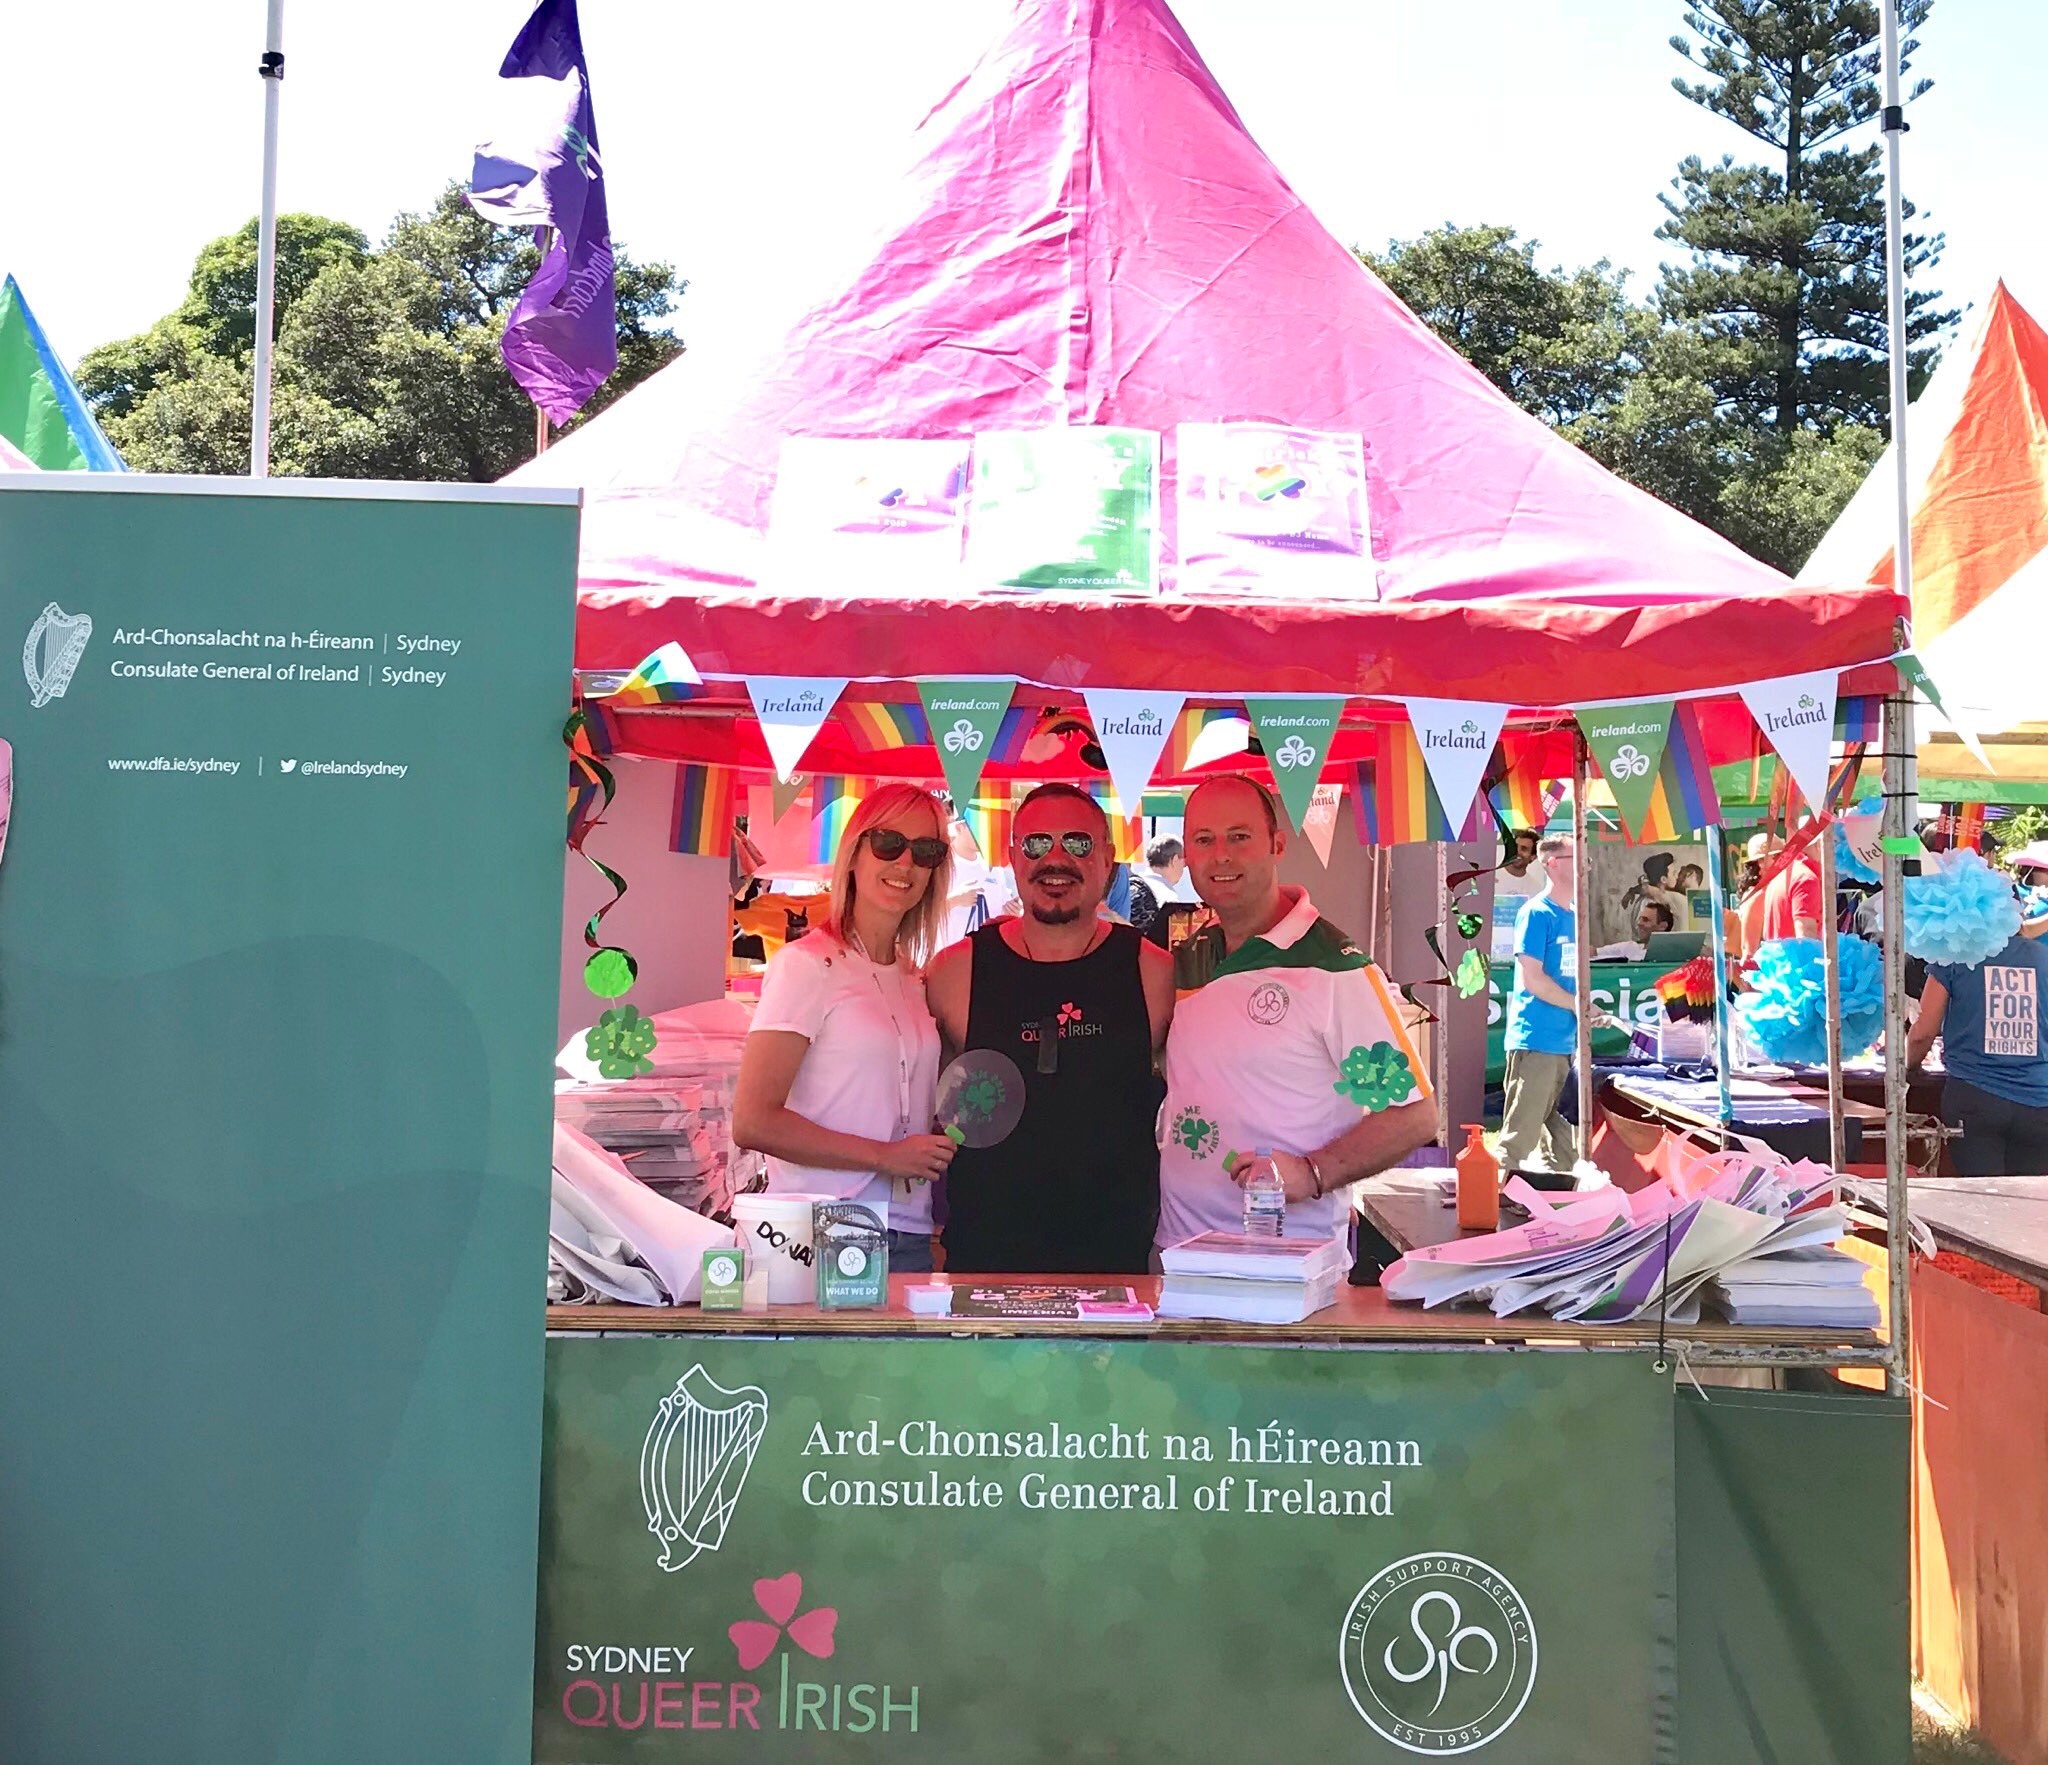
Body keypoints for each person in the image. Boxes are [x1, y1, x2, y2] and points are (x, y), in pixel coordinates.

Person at [1157, 775, 1436, 1252]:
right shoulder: (1188, 956)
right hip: (1180, 1255)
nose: (1221, 854)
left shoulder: (1333, 970)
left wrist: (1313, 1172)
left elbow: (1413, 1115)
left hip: (1286, 1263)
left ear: (1277, 845)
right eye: (1204, 840)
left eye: (1239, 837)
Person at [926, 784, 1177, 1272]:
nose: (1055, 859)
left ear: (1107, 858)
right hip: (985, 1262)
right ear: (1014, 857)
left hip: (1117, 1268)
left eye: (1078, 844)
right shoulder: (955, 971)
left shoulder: (1153, 970)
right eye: (1037, 844)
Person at [732, 783, 957, 1272]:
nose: (905, 864)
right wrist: (885, 1156)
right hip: (818, 1231)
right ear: (855, 853)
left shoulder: (914, 979)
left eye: (926, 851)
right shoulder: (806, 966)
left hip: (907, 1233)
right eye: (888, 843)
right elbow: (752, 1121)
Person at [1908, 929, 2048, 1176]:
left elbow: (1923, 1033)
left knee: (1981, 1199)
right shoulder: (2042, 956)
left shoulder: (1954, 957)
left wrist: (1908, 1066)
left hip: (1974, 1095)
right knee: (2027, 1205)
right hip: (2038, 1100)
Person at [1498, 836, 1584, 1173]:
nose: (1584, 865)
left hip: (1564, 1044)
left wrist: (1582, 1008)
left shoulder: (1574, 915)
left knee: (1567, 1150)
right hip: (1535, 1040)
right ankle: (1492, 1207)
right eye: (1577, 857)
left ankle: (1561, 1211)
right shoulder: (1535, 912)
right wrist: (1579, 1006)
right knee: (1516, 1144)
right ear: (1552, 863)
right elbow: (1532, 979)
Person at [1760, 825, 1824, 942]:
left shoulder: (1781, 875)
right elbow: (1806, 935)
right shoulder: (1806, 879)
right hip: (1795, 959)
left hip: (1776, 957)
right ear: (1819, 844)